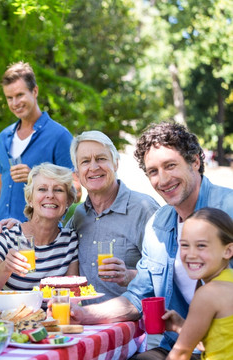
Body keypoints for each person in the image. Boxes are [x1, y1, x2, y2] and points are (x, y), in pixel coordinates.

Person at [70, 122, 233, 360]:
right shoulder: (158, 223)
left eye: (170, 165)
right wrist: (85, 315)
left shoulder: (228, 208)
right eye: (153, 171)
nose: (163, 179)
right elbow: (138, 296)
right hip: (181, 342)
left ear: (195, 162)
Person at [0, 61, 75, 236]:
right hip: (0, 236)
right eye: (9, 97)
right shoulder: (3, 139)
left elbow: (76, 190)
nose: (15, 103)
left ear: (34, 91)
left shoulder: (59, 136)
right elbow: (2, 191)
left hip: (39, 239)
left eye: (20, 95)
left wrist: (35, 178)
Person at [67, 131, 159, 303]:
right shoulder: (79, 215)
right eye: (85, 161)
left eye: (101, 159)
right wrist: (19, 227)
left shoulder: (143, 209)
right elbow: (52, 246)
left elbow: (168, 273)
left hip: (133, 324)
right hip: (87, 323)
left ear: (116, 163)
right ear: (77, 173)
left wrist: (129, 275)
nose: (93, 167)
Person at [0, 163, 79, 291]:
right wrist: (6, 267)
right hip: (12, 311)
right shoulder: (5, 236)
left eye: (58, 190)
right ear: (30, 199)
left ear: (68, 200)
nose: (50, 195)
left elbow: (72, 296)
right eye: (42, 189)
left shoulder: (70, 241)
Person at [163, 208, 233, 360]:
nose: (191, 254)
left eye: (201, 245)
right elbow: (219, 342)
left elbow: (180, 354)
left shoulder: (208, 294)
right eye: (185, 245)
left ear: (228, 251)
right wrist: (182, 327)